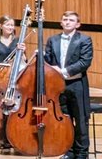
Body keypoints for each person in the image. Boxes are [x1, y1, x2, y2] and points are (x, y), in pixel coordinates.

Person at [45, 10, 93, 159]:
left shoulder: (85, 40)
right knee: (65, 120)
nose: (67, 22)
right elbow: (48, 59)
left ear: (77, 24)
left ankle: (82, 153)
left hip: (77, 84)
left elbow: (85, 62)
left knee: (80, 121)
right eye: (65, 19)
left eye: (71, 20)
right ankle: (69, 151)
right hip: (58, 86)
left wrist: (63, 71)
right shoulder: (53, 40)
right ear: (61, 22)